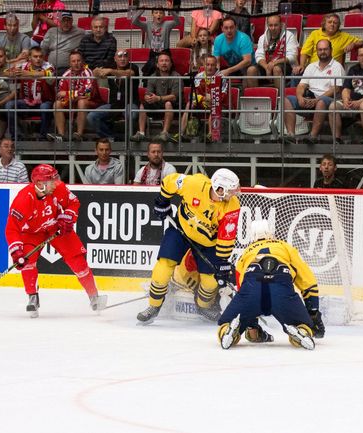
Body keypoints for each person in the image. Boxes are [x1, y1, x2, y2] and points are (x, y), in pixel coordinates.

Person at [136, 168, 241, 324]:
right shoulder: (194, 183)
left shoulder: (232, 206)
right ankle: (154, 306)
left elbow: (226, 237)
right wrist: (162, 201)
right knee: (163, 266)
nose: (233, 194)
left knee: (211, 281)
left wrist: (221, 262)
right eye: (230, 191)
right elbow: (169, 182)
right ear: (219, 188)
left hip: (208, 243)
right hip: (181, 230)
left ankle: (203, 306)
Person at [6, 164, 107, 318]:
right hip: (32, 233)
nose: (56, 183)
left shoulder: (57, 188)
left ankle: (94, 296)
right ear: (40, 184)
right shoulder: (24, 199)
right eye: (51, 180)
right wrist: (16, 251)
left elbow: (74, 203)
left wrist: (67, 217)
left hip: (54, 227)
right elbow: (12, 228)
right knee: (27, 258)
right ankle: (32, 296)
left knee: (77, 259)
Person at [217, 219, 324, 350]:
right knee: (303, 325)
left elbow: (242, 289)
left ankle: (228, 331)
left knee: (229, 323)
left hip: (252, 283)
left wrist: (251, 324)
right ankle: (301, 332)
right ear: (271, 233)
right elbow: (309, 282)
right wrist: (313, 313)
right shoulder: (285, 247)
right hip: (280, 282)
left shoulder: (245, 253)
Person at [283, 39, 345, 144]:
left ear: (331, 50)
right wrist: (300, 97)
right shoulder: (311, 66)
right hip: (311, 98)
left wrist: (317, 100)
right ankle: (291, 135)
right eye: (320, 49)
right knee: (287, 100)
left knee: (321, 102)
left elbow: (336, 89)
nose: (323, 52)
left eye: (325, 49)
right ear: (316, 51)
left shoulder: (337, 67)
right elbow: (301, 85)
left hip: (329, 100)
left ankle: (313, 136)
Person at [49, 50, 103, 142]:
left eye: (78, 61)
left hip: (92, 102)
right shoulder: (66, 74)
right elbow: (60, 94)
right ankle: (61, 135)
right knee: (57, 104)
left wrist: (68, 94)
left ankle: (79, 134)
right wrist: (73, 95)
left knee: (81, 102)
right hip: (72, 102)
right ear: (70, 63)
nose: (76, 63)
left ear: (82, 61)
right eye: (73, 61)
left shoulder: (88, 72)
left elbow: (87, 93)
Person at [5, 46, 56, 141]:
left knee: (45, 107)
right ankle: (17, 137)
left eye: (40, 56)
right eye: (35, 56)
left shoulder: (49, 66)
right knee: (9, 105)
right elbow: (5, 72)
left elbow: (47, 74)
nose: (38, 59)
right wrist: (14, 73)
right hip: (26, 102)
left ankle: (43, 137)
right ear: (29, 57)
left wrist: (26, 74)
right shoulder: (23, 66)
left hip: (44, 102)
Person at [89, 50, 140, 140]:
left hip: (130, 103)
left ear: (129, 59)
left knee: (131, 114)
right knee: (92, 116)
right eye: (120, 56)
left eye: (125, 56)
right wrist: (98, 72)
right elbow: (95, 73)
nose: (123, 59)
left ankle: (129, 139)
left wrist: (110, 71)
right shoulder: (110, 67)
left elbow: (128, 73)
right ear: (115, 59)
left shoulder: (133, 67)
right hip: (114, 105)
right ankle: (110, 137)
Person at [132, 51, 182, 143]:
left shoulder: (177, 76)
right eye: (161, 61)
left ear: (171, 64)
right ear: (157, 65)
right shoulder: (152, 77)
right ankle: (141, 133)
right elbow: (148, 93)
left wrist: (158, 98)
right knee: (143, 105)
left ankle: (164, 133)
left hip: (174, 105)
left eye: (167, 61)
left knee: (168, 103)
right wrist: (148, 97)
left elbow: (174, 96)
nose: (164, 63)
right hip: (157, 104)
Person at [179, 55, 227, 141]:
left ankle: (210, 135)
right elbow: (193, 94)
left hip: (216, 102)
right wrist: (203, 99)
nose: (210, 67)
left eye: (212, 65)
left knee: (214, 107)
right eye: (207, 64)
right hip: (202, 102)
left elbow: (223, 94)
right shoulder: (198, 76)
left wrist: (213, 98)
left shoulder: (221, 78)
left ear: (216, 65)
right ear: (204, 65)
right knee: (189, 104)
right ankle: (181, 133)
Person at [295, 13, 362, 74]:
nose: (332, 24)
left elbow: (361, 42)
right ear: (324, 24)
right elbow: (305, 52)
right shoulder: (314, 34)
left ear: (338, 25)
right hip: (314, 69)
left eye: (335, 23)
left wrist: (353, 44)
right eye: (329, 22)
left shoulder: (343, 36)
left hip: (333, 71)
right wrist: (302, 65)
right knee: (297, 73)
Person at [245, 14, 299, 89]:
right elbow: (259, 56)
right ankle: (255, 98)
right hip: (267, 66)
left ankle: (281, 99)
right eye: (270, 25)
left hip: (286, 66)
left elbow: (292, 56)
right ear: (267, 25)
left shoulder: (289, 35)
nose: (273, 28)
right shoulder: (263, 37)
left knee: (276, 69)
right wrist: (267, 67)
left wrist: (273, 64)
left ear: (281, 24)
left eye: (276, 25)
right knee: (251, 70)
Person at [131, 1, 180, 76]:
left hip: (165, 52)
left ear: (164, 15)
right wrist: (141, 11)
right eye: (156, 12)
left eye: (161, 13)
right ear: (152, 14)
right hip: (153, 53)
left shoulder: (167, 24)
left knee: (168, 72)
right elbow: (134, 21)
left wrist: (172, 11)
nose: (158, 14)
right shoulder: (148, 25)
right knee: (147, 72)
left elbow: (178, 22)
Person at [41, 11, 85, 77]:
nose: (66, 23)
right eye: (63, 20)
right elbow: (43, 50)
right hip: (50, 68)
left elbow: (93, 34)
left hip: (68, 69)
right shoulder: (51, 31)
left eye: (68, 20)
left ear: (72, 21)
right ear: (59, 21)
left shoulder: (80, 32)